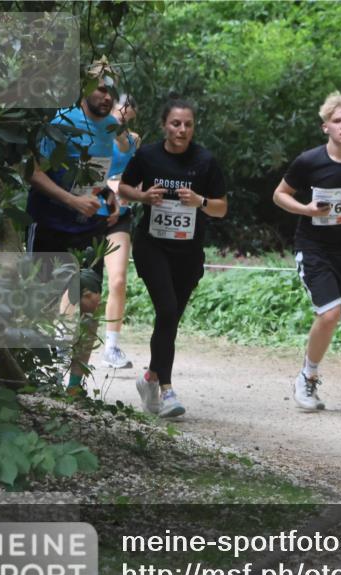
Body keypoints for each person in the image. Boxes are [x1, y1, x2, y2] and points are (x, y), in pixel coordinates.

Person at [118, 97, 228, 418]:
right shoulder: (148, 155)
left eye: (188, 125)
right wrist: (143, 196)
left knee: (170, 319)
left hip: (188, 252)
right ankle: (166, 390)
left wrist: (200, 200)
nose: (182, 130)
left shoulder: (205, 161)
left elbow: (221, 208)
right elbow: (123, 188)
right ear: (164, 125)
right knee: (166, 309)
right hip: (152, 246)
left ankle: (150, 378)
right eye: (176, 124)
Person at [273, 92, 341, 412]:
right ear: (325, 127)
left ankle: (309, 372)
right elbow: (279, 195)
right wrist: (306, 209)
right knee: (329, 313)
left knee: (336, 316)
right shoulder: (309, 161)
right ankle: (307, 376)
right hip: (313, 246)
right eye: (337, 121)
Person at [26, 58, 121, 395]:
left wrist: (108, 194)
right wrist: (72, 201)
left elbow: (93, 174)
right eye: (100, 89)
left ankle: (75, 387)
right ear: (84, 88)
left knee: (90, 301)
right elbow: (33, 172)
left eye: (111, 92)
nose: (106, 97)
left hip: (87, 229)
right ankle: (36, 375)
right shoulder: (61, 121)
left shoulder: (111, 126)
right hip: (49, 224)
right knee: (41, 305)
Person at [100, 94, 141, 369]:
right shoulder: (93, 133)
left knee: (117, 280)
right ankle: (61, 343)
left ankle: (111, 348)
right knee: (77, 282)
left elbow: (134, 175)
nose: (122, 116)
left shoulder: (134, 140)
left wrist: (131, 191)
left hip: (120, 218)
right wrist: (110, 187)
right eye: (120, 110)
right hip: (89, 213)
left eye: (128, 113)